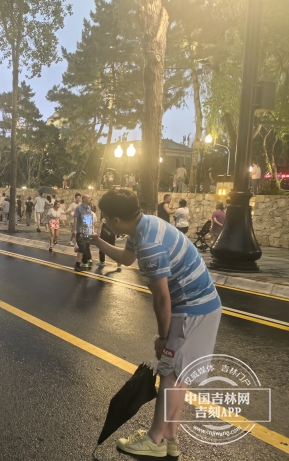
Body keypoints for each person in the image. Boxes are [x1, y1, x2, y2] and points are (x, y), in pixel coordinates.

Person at [89, 189, 222, 458]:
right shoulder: (143, 225)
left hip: (193, 309)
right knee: (179, 376)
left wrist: (163, 337)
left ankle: (154, 440)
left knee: (170, 374)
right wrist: (97, 242)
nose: (104, 222)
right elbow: (127, 259)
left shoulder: (149, 244)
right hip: (201, 305)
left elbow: (162, 298)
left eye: (105, 218)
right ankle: (169, 438)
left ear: (116, 220)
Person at [72, 194, 96, 272]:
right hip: (80, 231)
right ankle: (77, 264)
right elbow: (75, 218)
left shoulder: (89, 208)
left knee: (86, 247)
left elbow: (88, 219)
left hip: (86, 231)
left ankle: (81, 263)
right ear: (84, 199)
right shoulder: (78, 208)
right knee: (82, 248)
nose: (90, 200)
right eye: (89, 198)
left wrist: (91, 230)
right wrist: (74, 229)